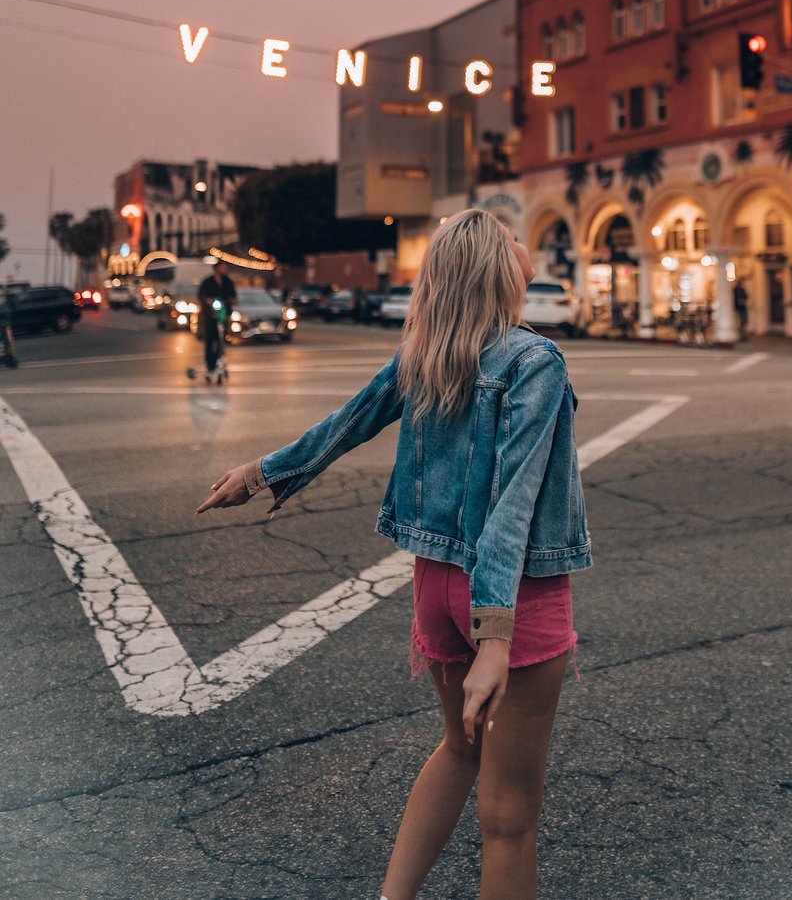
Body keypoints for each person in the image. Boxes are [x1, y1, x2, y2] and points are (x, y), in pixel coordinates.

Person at [196, 209, 591, 900]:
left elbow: (344, 424)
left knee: (459, 749)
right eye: (510, 237)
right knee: (507, 821)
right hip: (512, 596)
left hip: (435, 590)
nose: (523, 244)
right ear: (499, 266)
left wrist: (261, 473)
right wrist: (495, 635)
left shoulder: (427, 353)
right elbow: (512, 503)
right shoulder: (535, 361)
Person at [196, 261, 237, 377]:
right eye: (222, 267)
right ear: (216, 268)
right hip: (210, 315)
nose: (225, 269)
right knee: (209, 342)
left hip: (223, 315)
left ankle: (220, 362)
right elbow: (201, 295)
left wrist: (231, 300)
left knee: (222, 341)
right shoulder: (208, 282)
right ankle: (210, 366)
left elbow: (233, 296)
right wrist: (207, 301)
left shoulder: (228, 282)